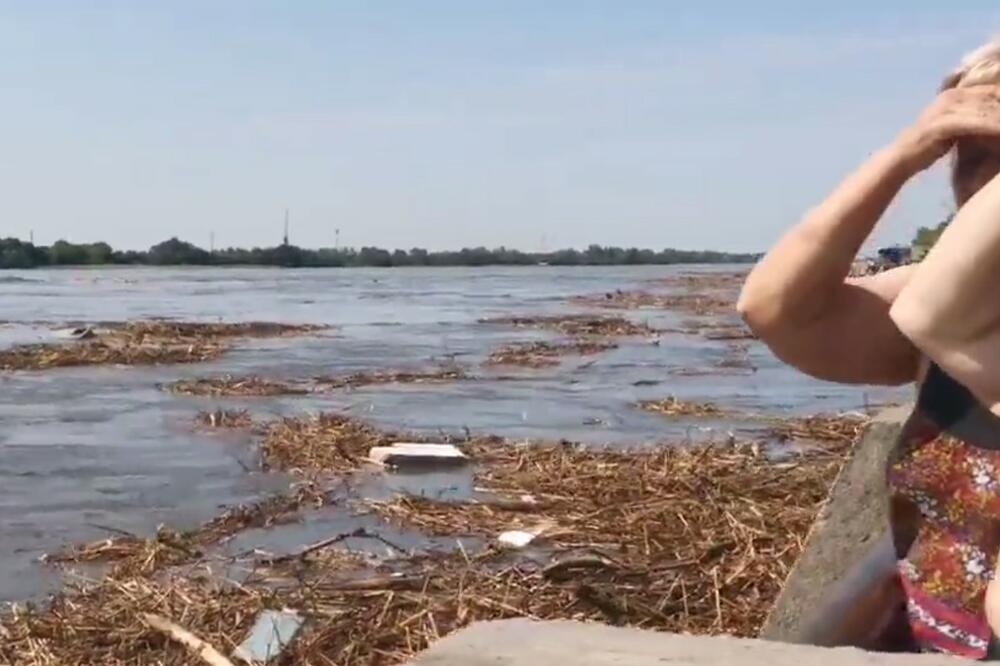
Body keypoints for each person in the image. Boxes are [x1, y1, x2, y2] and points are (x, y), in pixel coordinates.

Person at [738, 36, 1000, 659]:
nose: (988, 183)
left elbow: (935, 312)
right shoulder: (934, 311)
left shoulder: (942, 314)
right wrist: (904, 154)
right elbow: (776, 309)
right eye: (973, 157)